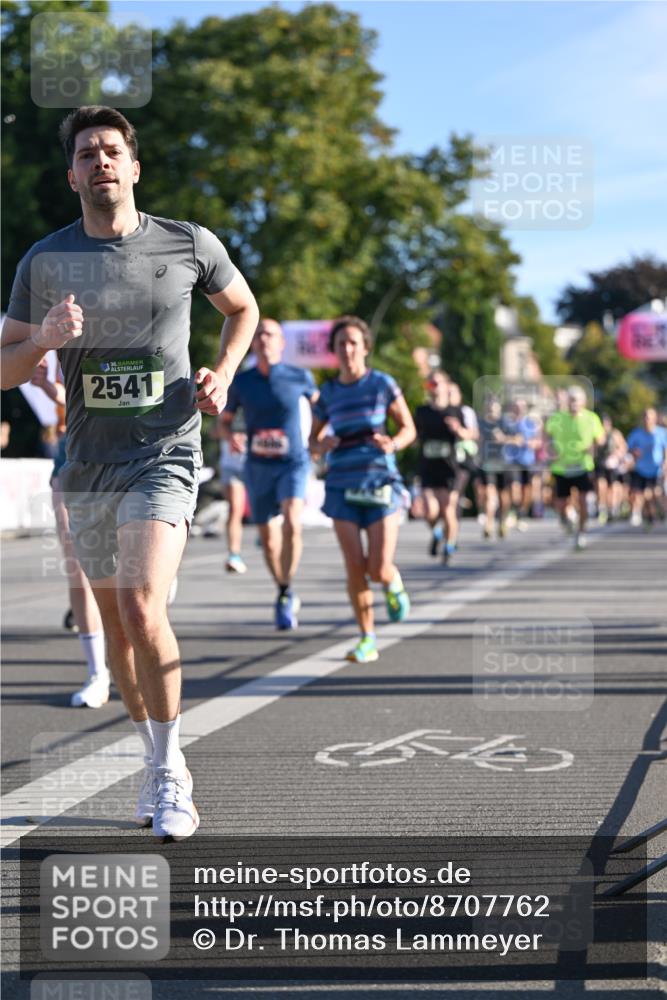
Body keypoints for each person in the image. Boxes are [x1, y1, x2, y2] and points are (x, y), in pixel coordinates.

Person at [1, 105, 259, 840]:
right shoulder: (45, 260)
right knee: (116, 626)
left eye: (112, 150)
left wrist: (224, 373)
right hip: (88, 464)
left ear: (134, 166)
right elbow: (4, 366)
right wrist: (43, 339)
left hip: (164, 452)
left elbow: (242, 309)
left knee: (144, 605)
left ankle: (172, 770)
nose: (101, 162)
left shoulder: (187, 242)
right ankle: (151, 757)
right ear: (72, 175)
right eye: (87, 154)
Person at [310, 316, 415, 664]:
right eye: (341, 343)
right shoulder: (328, 393)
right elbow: (312, 442)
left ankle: (392, 580)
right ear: (335, 350)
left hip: (380, 482)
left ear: (365, 348)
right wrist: (322, 444)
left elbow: (408, 428)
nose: (348, 349)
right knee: (355, 566)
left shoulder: (382, 384)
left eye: (354, 342)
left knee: (377, 568)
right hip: (342, 485)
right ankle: (367, 638)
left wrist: (393, 443)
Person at [219, 319, 316, 629]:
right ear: (252, 342)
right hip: (258, 465)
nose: (264, 339)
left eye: (270, 334)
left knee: (292, 522)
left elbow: (323, 409)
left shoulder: (300, 376)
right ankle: (284, 588)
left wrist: (320, 439)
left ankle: (285, 592)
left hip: (293, 462)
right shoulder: (242, 381)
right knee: (269, 541)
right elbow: (224, 421)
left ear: (282, 343)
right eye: (259, 334)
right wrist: (230, 436)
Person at [31, 358, 111, 707]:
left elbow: (99, 399)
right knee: (78, 569)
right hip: (70, 462)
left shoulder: (127, 334)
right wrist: (32, 367)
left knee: (134, 570)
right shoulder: (61, 339)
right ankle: (97, 673)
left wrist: (52, 390)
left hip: (125, 460)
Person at [415, 372, 474, 562]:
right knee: (430, 510)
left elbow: (471, 434)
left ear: (445, 386)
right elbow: (414, 434)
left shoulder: (455, 411)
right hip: (428, 465)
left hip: (450, 467)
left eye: (437, 383)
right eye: (430, 383)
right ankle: (437, 532)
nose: (433, 386)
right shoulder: (422, 411)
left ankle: (449, 545)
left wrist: (458, 430)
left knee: (448, 509)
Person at [545, 386, 605, 550]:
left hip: (583, 465)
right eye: (570, 400)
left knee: (583, 502)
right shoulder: (557, 418)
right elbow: (546, 435)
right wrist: (549, 449)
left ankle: (581, 533)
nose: (573, 404)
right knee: (561, 504)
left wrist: (594, 446)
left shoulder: (591, 418)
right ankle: (567, 518)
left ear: (583, 402)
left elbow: (601, 438)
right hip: (561, 467)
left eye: (576, 400)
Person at [211, 410, 249, 573]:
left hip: (258, 463)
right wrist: (230, 437)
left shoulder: (260, 398)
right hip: (231, 465)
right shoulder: (228, 401)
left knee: (266, 510)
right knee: (235, 509)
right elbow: (215, 431)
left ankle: (267, 535)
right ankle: (234, 555)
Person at [627, 408, 667, 528]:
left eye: (648, 417)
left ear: (654, 419)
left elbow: (665, 449)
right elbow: (628, 448)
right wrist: (633, 452)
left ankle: (654, 514)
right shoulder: (636, 433)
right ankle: (645, 515)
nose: (646, 419)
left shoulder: (662, 433)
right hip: (641, 469)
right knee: (640, 494)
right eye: (644, 416)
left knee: (654, 494)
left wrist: (665, 463)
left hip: (656, 470)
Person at [594, 414, 627, 523]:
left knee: (613, 487)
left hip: (612, 465)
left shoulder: (615, 434)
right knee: (600, 485)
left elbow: (623, 447)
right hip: (600, 464)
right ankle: (601, 507)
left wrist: (616, 456)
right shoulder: (597, 434)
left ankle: (613, 508)